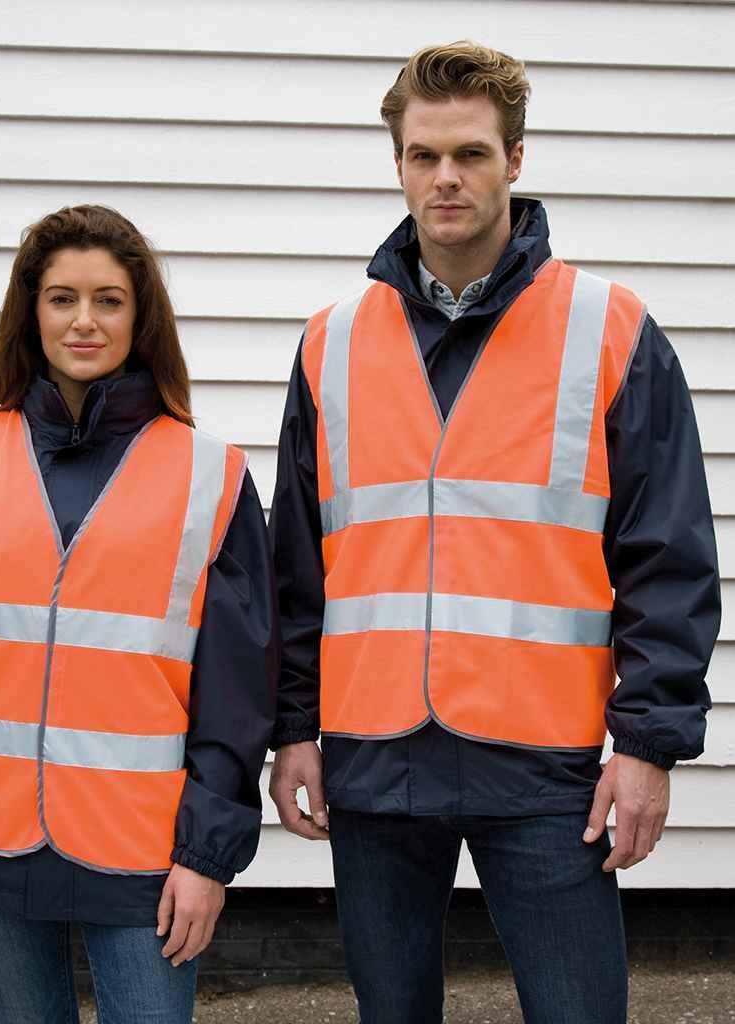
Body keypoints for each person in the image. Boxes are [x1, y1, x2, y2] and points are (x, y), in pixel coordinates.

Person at [268, 41, 720, 1024]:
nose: (446, 177)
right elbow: (297, 564)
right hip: (374, 761)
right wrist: (292, 727)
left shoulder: (609, 329)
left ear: (514, 158)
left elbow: (669, 558)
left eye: (470, 153)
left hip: (544, 763)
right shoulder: (331, 342)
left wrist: (648, 744)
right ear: (398, 164)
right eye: (424, 155)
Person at [0, 205, 277, 1024]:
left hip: (144, 850)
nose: (85, 320)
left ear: (140, 317)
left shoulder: (210, 474)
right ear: (32, 312)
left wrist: (207, 855)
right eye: (62, 298)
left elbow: (238, 691)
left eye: (109, 300)